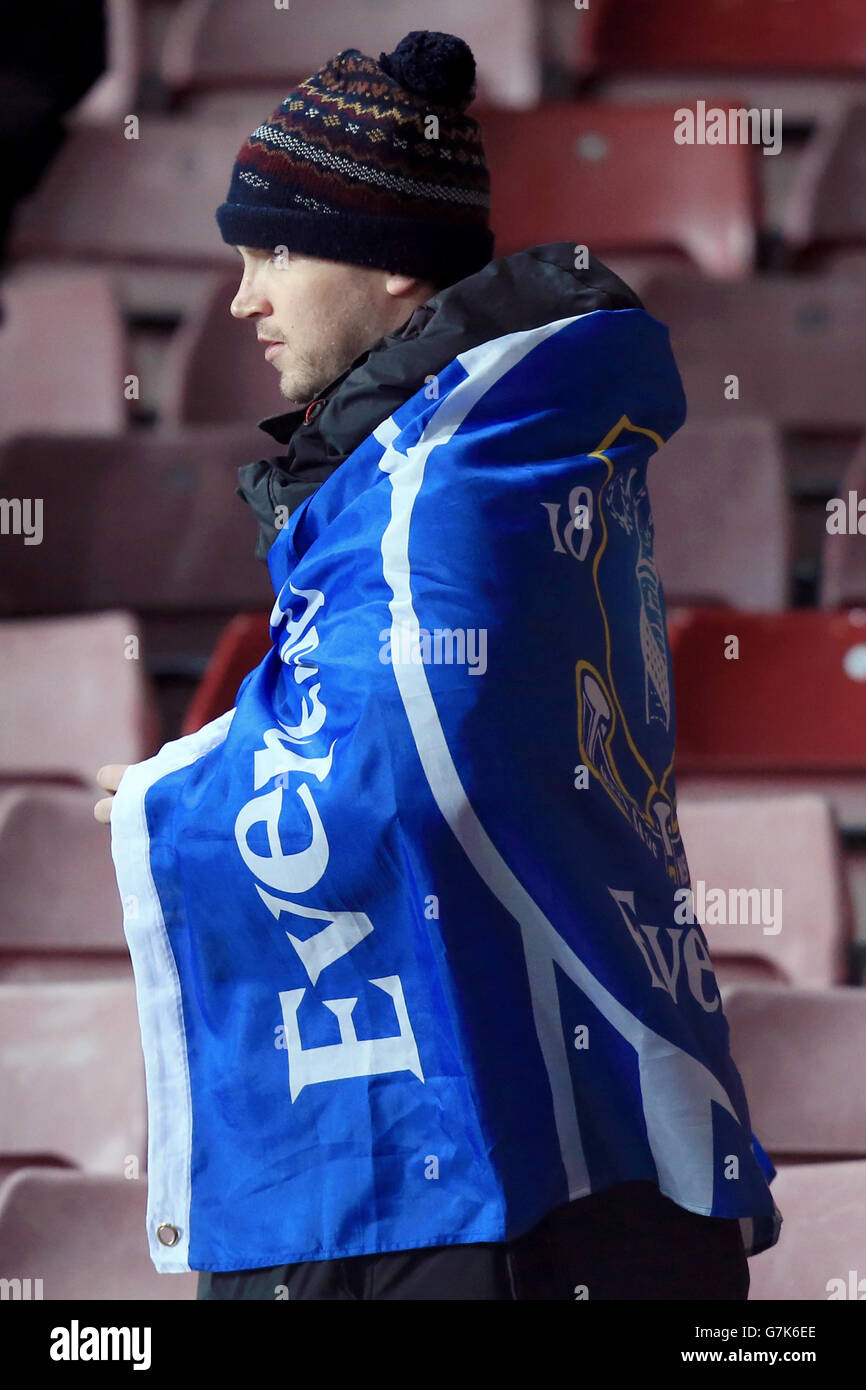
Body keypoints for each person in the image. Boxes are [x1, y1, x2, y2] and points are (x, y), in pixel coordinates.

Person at [96, 30, 781, 1300]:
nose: (241, 297)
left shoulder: (449, 472)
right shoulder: (506, 442)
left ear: (392, 263)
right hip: (541, 1157)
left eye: (277, 252)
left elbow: (415, 750)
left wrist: (167, 795)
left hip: (489, 1196)